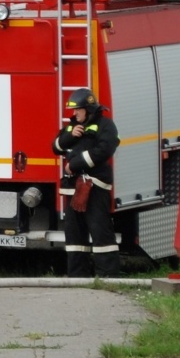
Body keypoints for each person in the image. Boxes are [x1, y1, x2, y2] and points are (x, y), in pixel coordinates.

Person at [53, 87, 120, 277]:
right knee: (74, 234)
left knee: (100, 231)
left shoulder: (105, 125)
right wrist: (69, 136)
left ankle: (108, 277)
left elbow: (105, 149)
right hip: (74, 188)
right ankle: (77, 276)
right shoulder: (72, 127)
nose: (74, 114)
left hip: (95, 186)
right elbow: (55, 147)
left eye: (78, 110)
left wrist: (75, 164)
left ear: (88, 109)